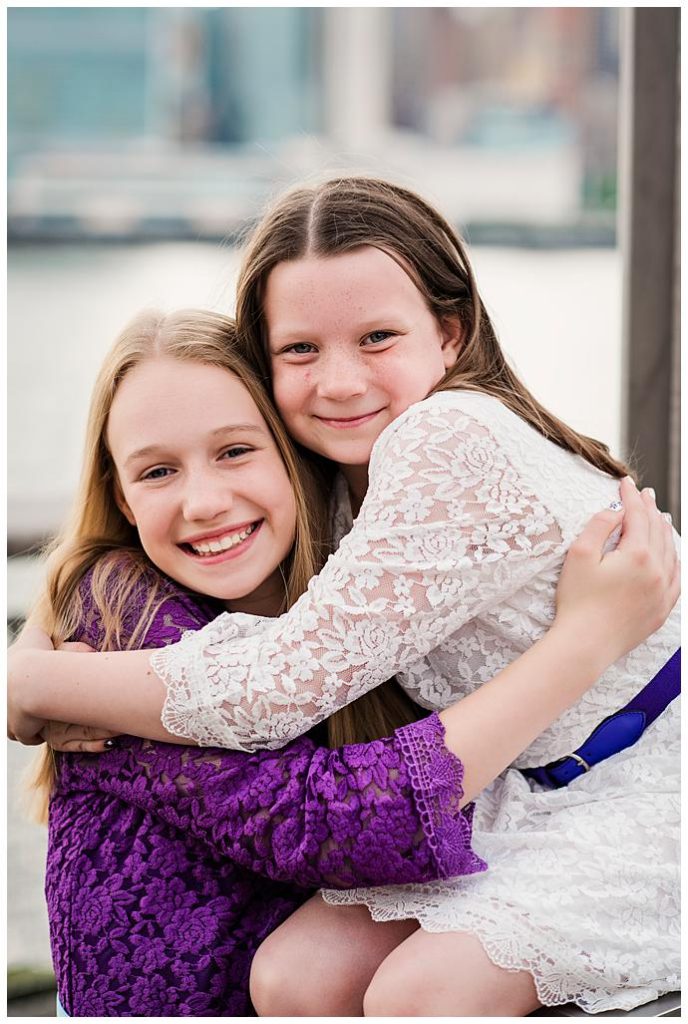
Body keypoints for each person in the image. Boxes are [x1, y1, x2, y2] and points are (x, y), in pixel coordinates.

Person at [8, 178, 680, 1014]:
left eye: (377, 338)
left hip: (648, 783)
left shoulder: (450, 435)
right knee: (294, 977)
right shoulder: (330, 466)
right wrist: (40, 634)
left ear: (449, 334)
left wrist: (32, 685)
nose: (337, 381)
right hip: (523, 791)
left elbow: (275, 691)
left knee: (418, 994)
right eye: (299, 351)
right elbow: (102, 537)